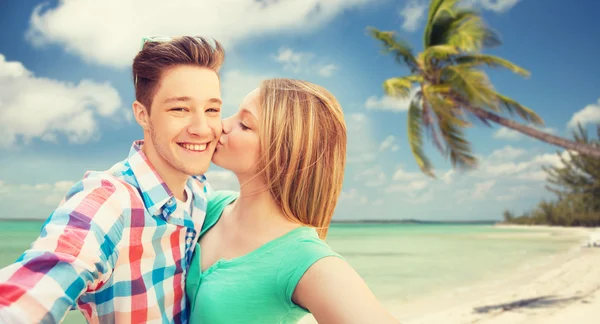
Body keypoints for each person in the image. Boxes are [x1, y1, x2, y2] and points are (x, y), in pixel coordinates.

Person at [0, 36, 225, 323]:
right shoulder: (110, 200)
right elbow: (43, 278)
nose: (201, 128)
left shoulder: (200, 193)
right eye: (179, 109)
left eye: (212, 110)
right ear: (142, 115)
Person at [186, 79, 399, 323]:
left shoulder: (302, 258)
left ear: (284, 153)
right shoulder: (211, 206)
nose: (222, 125)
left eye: (244, 124)